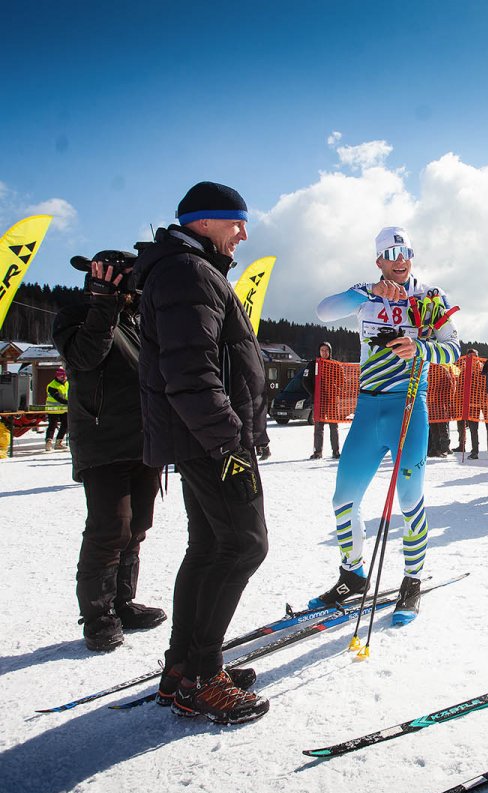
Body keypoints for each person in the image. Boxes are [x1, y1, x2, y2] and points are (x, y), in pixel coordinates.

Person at [134, 180, 269, 723]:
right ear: (203, 222)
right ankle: (202, 677)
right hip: (213, 442)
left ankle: (183, 667)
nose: (242, 233)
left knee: (212, 545)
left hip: (202, 440)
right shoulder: (188, 272)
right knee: (243, 546)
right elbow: (191, 372)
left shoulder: (189, 270)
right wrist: (229, 442)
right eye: (235, 221)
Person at [314, 226, 461, 622]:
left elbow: (454, 349)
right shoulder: (365, 293)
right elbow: (323, 310)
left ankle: (412, 581)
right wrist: (366, 295)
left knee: (410, 500)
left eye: (406, 251)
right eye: (391, 253)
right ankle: (352, 574)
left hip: (409, 408)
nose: (400, 259)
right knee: (343, 499)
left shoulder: (429, 297)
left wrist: (422, 347)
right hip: (368, 409)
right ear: (379, 260)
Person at [52, 250, 167, 652]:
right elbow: (85, 357)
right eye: (132, 278)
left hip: (144, 441)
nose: (138, 286)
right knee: (109, 529)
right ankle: (98, 615)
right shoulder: (76, 315)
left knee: (136, 526)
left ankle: (123, 602)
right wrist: (103, 304)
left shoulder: (137, 319)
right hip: (101, 442)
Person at [303, 341, 341, 460]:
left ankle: (336, 451)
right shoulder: (312, 364)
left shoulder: (335, 364)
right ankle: (317, 452)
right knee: (318, 427)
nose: (324, 352)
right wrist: (314, 394)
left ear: (330, 352)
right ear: (319, 351)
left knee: (333, 427)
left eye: (326, 350)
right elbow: (305, 381)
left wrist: (337, 393)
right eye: (322, 350)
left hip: (331, 401)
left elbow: (342, 381)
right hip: (318, 401)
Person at [456, 348, 488, 459]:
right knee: (473, 428)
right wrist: (460, 402)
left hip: (486, 402)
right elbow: (460, 387)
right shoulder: (464, 371)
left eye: (474, 356)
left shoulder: (484, 368)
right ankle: (475, 451)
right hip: (472, 403)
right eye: (470, 357)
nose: (472, 359)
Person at [44, 367, 69, 451]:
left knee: (65, 425)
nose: (63, 378)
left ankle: (59, 442)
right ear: (57, 376)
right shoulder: (52, 385)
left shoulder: (67, 383)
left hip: (64, 409)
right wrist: (69, 402)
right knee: (52, 425)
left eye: (64, 376)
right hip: (53, 408)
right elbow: (57, 397)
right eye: (61, 376)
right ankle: (48, 442)